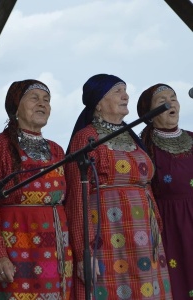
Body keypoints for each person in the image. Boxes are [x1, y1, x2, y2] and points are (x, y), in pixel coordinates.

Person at [65, 74, 172, 299]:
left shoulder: (131, 137)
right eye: (117, 91)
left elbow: (147, 187)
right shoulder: (85, 139)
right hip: (107, 235)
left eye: (125, 90)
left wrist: (157, 228)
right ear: (98, 103)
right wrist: (83, 252)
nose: (126, 96)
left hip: (143, 235)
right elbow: (76, 199)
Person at [0, 79, 73, 300]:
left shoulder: (56, 150)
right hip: (15, 249)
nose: (42, 104)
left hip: (57, 252)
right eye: (34, 98)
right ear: (16, 106)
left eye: (47, 100)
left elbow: (70, 203)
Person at [137, 83, 193, 299]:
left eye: (174, 97)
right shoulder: (142, 146)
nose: (171, 103)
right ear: (149, 114)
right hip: (168, 226)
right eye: (162, 101)